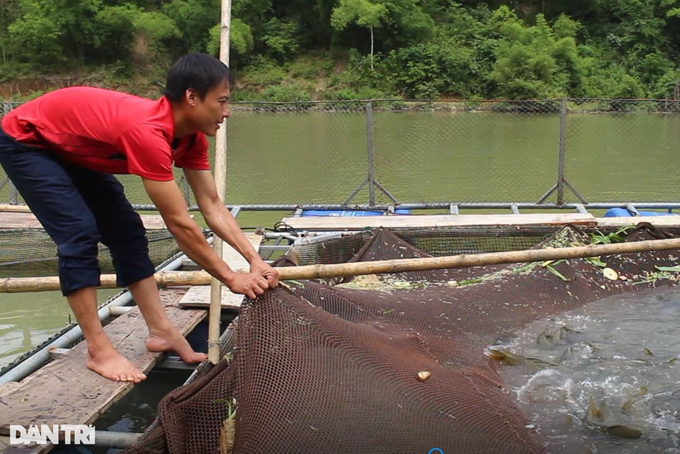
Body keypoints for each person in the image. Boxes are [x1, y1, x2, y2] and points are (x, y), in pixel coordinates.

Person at [0, 53, 279, 383]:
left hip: (71, 146)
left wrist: (253, 260)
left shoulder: (190, 138)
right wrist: (230, 277)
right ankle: (98, 350)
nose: (227, 112)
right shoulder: (148, 132)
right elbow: (179, 224)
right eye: (221, 101)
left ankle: (161, 330)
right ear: (191, 97)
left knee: (128, 231)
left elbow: (213, 206)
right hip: (27, 140)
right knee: (78, 233)